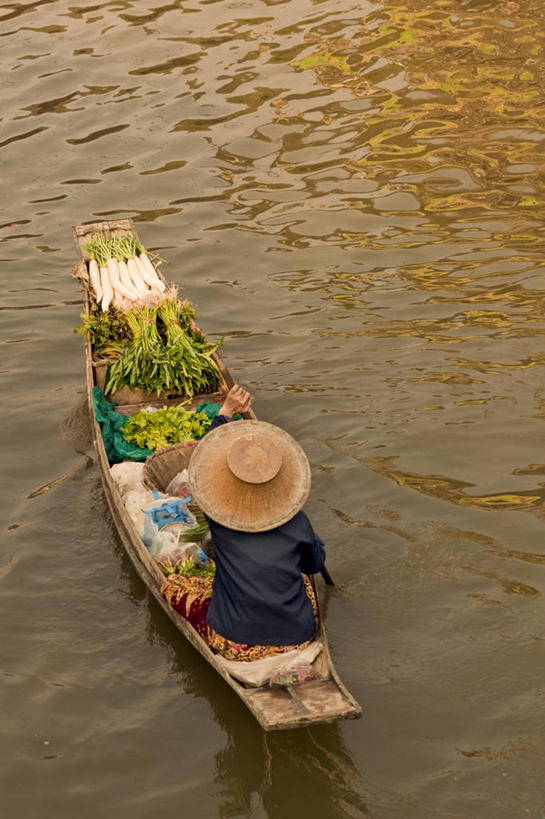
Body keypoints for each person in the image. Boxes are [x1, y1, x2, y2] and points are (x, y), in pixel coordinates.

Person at [161, 385, 326, 661]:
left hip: (236, 641)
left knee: (174, 585)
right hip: (298, 637)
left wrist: (225, 412)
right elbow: (315, 564)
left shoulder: (220, 519)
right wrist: (311, 542)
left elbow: (205, 459)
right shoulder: (297, 522)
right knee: (305, 581)